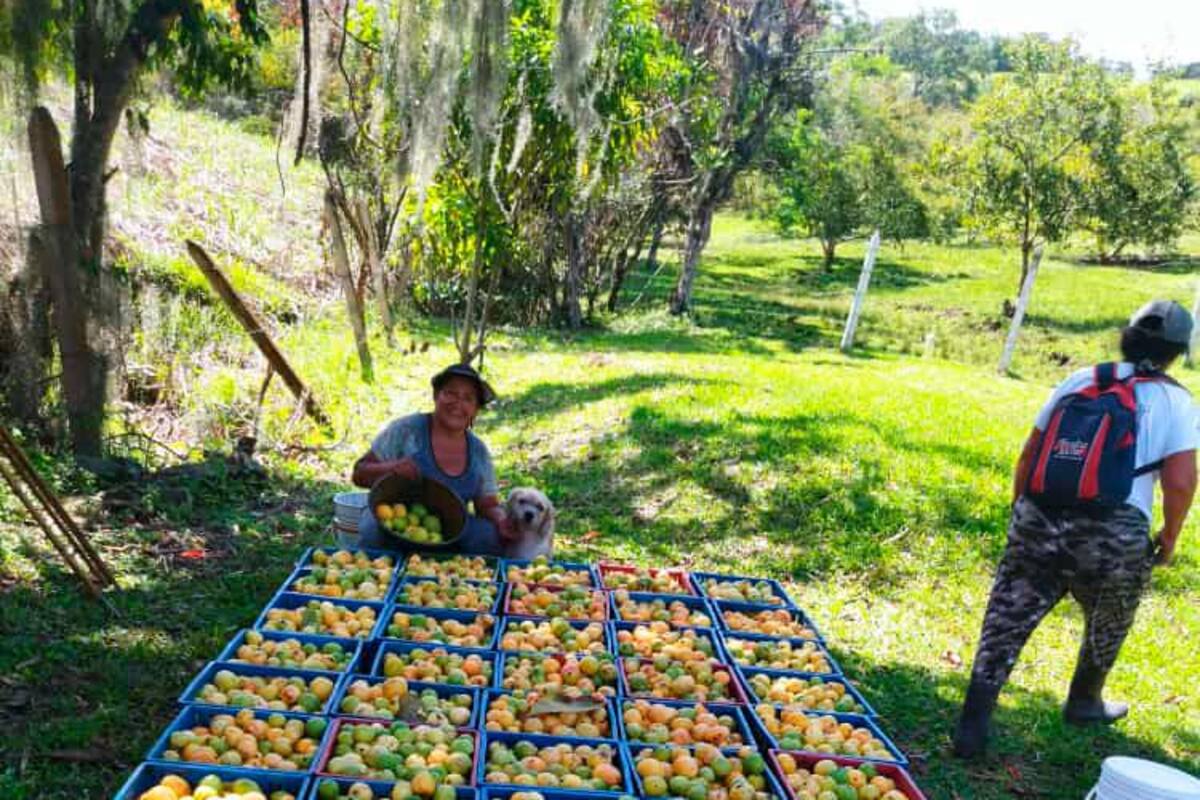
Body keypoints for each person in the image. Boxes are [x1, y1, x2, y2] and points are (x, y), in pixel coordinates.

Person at [954, 300, 1198, 758]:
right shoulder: (1177, 401)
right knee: (1110, 616)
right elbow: (1181, 481)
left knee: (1006, 615)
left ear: (1126, 336)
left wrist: (1022, 515)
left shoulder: (1082, 379)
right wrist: (1169, 536)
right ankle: (1085, 701)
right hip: (1116, 533)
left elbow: (1030, 454)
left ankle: (973, 722)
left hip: (1040, 515)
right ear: (1176, 351)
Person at [351, 364, 514, 555]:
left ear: (475, 410)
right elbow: (359, 473)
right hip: (395, 523)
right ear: (436, 396)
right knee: (372, 529)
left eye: (468, 398)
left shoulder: (478, 451)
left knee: (487, 536)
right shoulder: (407, 431)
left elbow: (487, 505)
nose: (458, 403)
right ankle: (378, 574)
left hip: (449, 532)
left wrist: (502, 521)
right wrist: (391, 468)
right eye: (450, 393)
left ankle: (455, 576)